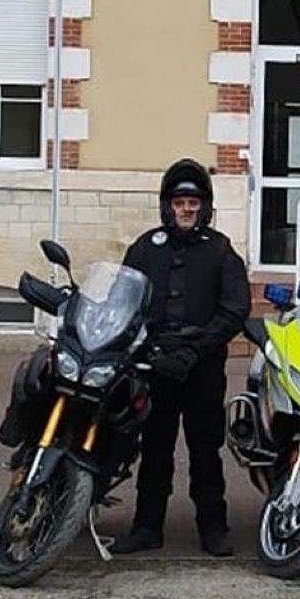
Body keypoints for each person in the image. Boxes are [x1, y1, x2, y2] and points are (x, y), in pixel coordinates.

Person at [111, 158, 250, 557]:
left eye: (193, 202)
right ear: (167, 206)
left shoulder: (220, 250)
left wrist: (195, 349)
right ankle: (146, 528)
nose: (186, 209)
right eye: (179, 202)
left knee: (206, 449)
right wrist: (148, 350)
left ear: (204, 207)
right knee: (155, 448)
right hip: (154, 366)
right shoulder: (144, 248)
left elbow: (234, 309)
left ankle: (214, 528)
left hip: (202, 366)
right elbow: (124, 302)